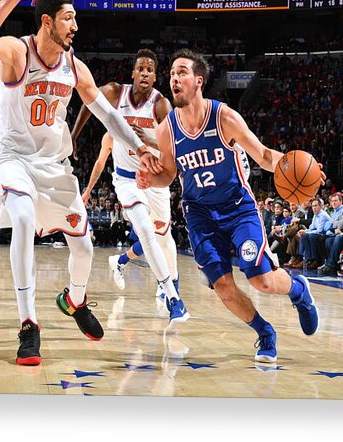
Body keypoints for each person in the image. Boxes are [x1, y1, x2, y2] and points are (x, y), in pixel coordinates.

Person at [0, 0, 163, 366]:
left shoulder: (75, 67)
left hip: (56, 168)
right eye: (68, 18)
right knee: (21, 219)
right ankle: (28, 325)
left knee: (86, 248)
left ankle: (73, 300)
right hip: (14, 159)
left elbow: (108, 115)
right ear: (46, 22)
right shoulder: (17, 53)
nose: (75, 26)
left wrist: (139, 145)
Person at [137, 48, 321, 363]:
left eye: (182, 73)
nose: (174, 79)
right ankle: (265, 333)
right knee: (223, 288)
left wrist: (305, 167)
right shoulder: (167, 127)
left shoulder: (224, 117)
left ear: (198, 81)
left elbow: (263, 155)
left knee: (260, 280)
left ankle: (299, 290)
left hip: (238, 210)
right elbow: (168, 173)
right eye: (171, 74)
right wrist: (148, 180)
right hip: (200, 215)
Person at [71, 49, 186, 314]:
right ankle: (171, 293)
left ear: (155, 77)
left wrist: (145, 140)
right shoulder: (114, 92)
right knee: (146, 231)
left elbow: (173, 145)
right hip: (126, 179)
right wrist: (75, 134)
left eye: (150, 70)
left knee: (163, 236)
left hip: (155, 179)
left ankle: (163, 280)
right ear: (133, 73)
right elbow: (89, 101)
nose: (145, 73)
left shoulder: (160, 105)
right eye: (141, 69)